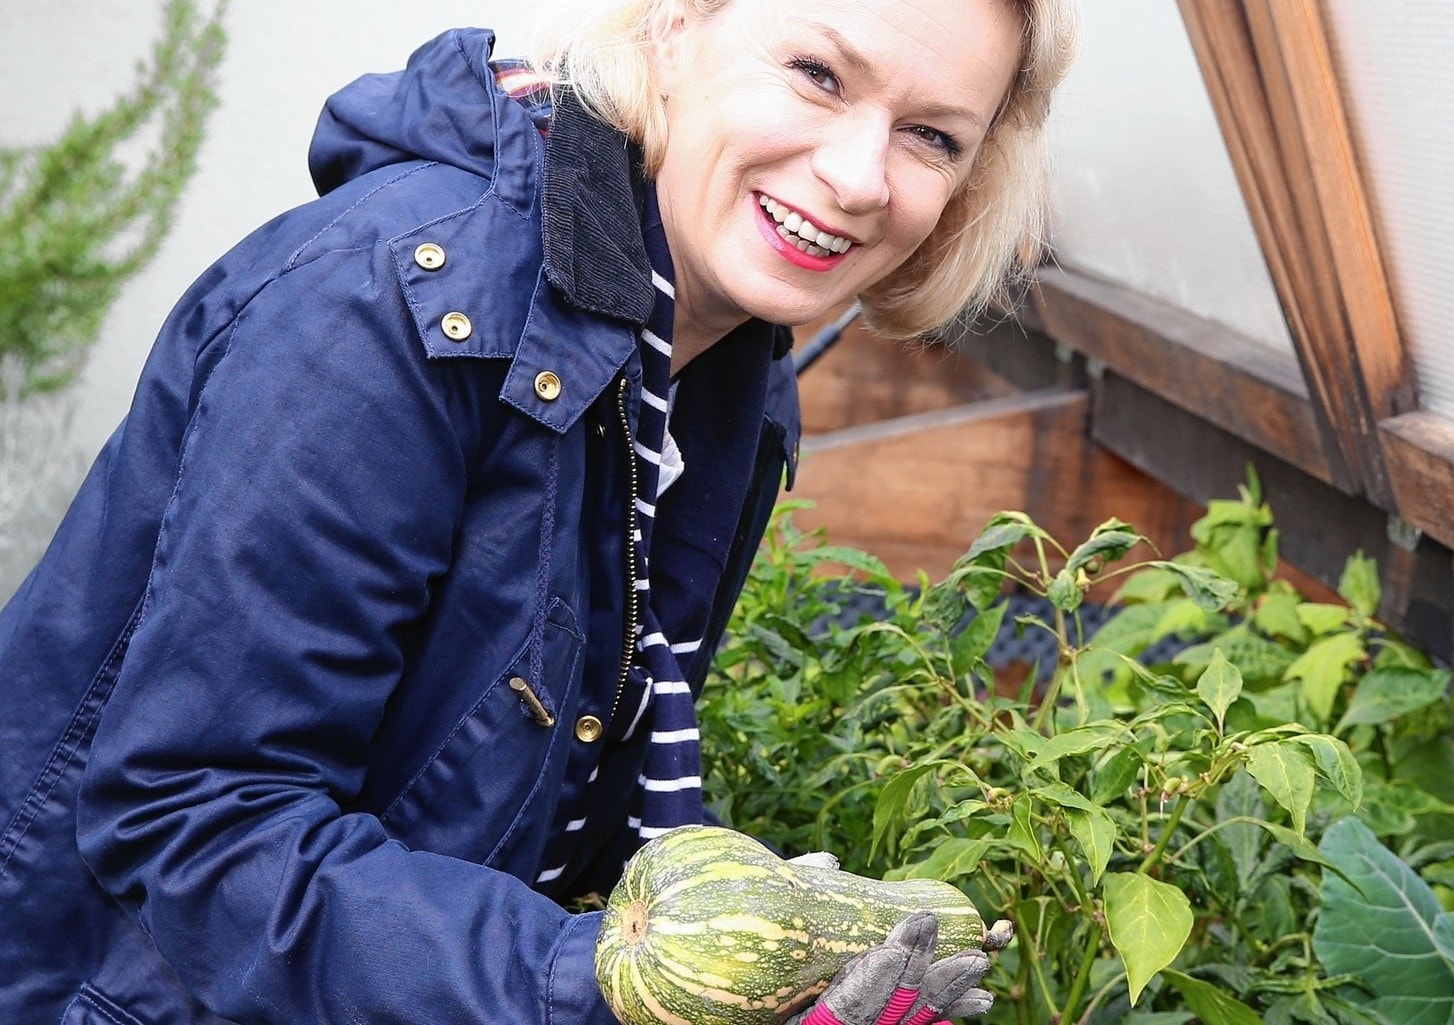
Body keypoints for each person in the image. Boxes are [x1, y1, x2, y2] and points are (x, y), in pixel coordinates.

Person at [0, 0, 1077, 1021]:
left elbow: (552, 799)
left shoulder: (723, 377)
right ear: (672, 30)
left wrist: (772, 958)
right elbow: (195, 822)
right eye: (815, 73)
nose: (857, 177)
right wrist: (604, 987)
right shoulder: (389, 310)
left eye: (931, 136)